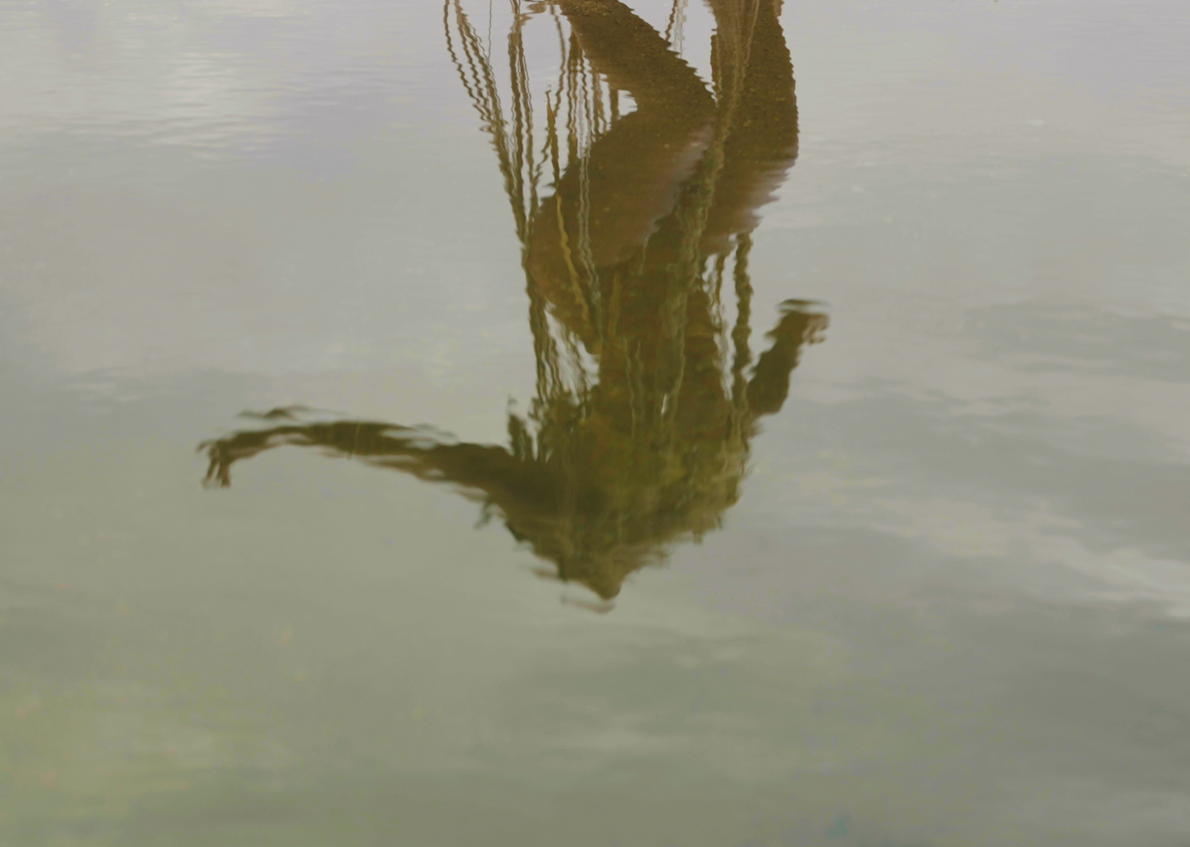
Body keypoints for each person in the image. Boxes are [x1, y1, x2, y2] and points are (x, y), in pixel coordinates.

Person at [201, 0, 826, 603]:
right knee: (768, 145)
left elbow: (418, 453)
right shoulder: (702, 472)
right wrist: (792, 337)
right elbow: (758, 400)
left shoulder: (557, 497)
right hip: (668, 259)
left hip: (588, 259)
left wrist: (283, 432)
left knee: (685, 116)